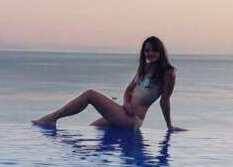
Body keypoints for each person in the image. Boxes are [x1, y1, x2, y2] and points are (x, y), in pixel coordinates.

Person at [32, 36, 184, 131]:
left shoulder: (168, 73)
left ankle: (51, 118)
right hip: (124, 112)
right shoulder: (145, 68)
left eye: (153, 51)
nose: (149, 54)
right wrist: (127, 103)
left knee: (90, 94)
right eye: (146, 51)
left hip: (133, 120)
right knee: (92, 129)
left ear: (160, 52)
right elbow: (129, 89)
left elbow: (165, 101)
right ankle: (52, 119)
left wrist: (169, 126)